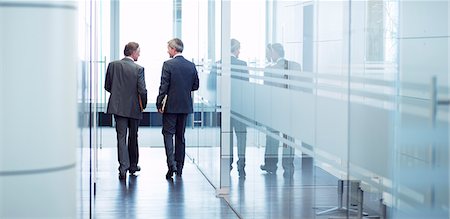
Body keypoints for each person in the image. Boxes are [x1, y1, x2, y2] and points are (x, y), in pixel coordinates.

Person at [157, 38, 199, 180]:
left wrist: (159, 103)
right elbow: (196, 86)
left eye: (168, 48)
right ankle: (179, 167)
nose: (167, 50)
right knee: (180, 136)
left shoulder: (168, 64)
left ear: (174, 49)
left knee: (168, 134)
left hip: (170, 106)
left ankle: (171, 165)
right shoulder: (191, 65)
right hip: (185, 105)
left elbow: (164, 87)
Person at [105, 42, 147, 180]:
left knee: (121, 137)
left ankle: (123, 167)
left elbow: (108, 86)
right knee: (133, 136)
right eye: (138, 51)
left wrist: (118, 95)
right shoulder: (138, 69)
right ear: (133, 52)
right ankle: (133, 166)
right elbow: (142, 90)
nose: (139, 54)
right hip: (134, 107)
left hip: (118, 107)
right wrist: (144, 105)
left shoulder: (113, 65)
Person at [260, 43, 301, 178]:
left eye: (268, 53)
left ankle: (271, 165)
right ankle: (288, 166)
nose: (268, 56)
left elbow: (266, 94)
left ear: (274, 53)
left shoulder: (269, 70)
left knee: (272, 137)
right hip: (292, 109)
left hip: (275, 110)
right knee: (288, 138)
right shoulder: (296, 66)